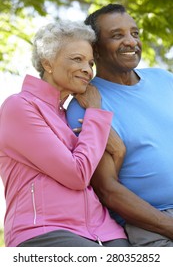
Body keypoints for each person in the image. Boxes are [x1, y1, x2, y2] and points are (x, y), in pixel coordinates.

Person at [0, 20, 129, 247]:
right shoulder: (19, 107)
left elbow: (96, 180)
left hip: (105, 232)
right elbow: (77, 175)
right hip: (44, 230)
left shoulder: (71, 114)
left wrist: (117, 152)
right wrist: (96, 113)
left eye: (90, 63)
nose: (88, 70)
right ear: (47, 63)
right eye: (77, 59)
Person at [67, 4, 173, 247]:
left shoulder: (165, 80)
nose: (130, 42)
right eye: (117, 35)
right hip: (152, 226)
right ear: (95, 49)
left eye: (134, 33)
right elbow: (107, 190)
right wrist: (169, 227)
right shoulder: (86, 105)